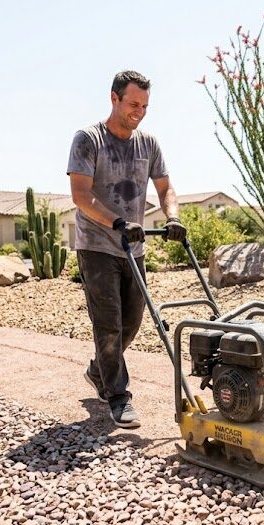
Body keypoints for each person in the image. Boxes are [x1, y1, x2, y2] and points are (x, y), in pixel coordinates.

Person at [67, 70, 186, 429]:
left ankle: (98, 369)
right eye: (134, 103)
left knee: (132, 321)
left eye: (145, 105)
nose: (140, 111)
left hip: (133, 249)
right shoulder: (88, 139)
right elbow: (81, 196)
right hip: (98, 245)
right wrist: (117, 222)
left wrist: (173, 217)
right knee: (108, 324)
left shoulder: (148, 144)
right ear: (114, 98)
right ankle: (118, 397)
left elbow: (165, 187)